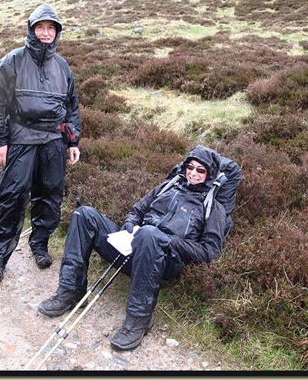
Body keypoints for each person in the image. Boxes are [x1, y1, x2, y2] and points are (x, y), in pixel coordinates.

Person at [38, 145, 231, 352]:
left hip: (165, 261)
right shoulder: (167, 187)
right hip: (131, 247)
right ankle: (71, 290)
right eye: (190, 167)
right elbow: (136, 211)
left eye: (200, 170)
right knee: (83, 214)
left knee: (149, 234)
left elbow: (210, 252)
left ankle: (139, 320)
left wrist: (167, 240)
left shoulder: (213, 208)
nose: (193, 173)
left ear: (209, 174)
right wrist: (130, 225)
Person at [0, 4, 81, 283]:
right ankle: (0, 257)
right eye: (41, 27)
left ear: (57, 32)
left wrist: (72, 140)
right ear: (31, 29)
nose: (46, 33)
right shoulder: (12, 61)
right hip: (21, 138)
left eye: (51, 28)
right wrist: (0, 140)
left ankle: (39, 244)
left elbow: (71, 106)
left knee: (50, 194)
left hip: (53, 140)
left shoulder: (62, 67)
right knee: (12, 195)